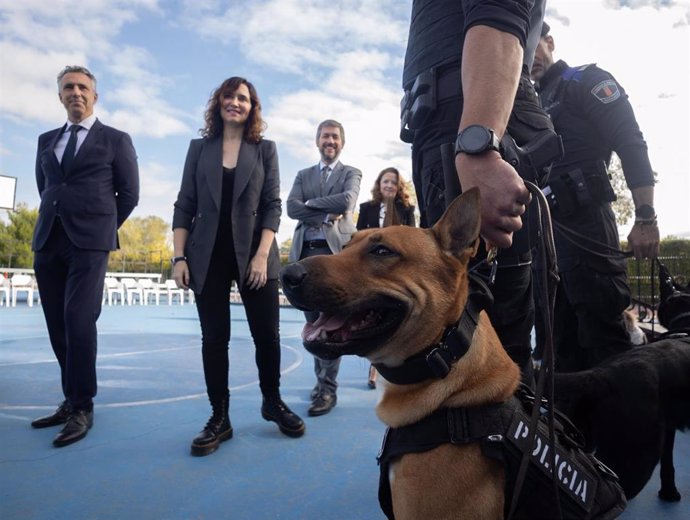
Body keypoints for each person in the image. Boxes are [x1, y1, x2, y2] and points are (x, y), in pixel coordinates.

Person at [400, 0, 554, 379]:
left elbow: (499, 12)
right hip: (449, 129)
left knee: (485, 340)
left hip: (471, 126)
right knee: (461, 336)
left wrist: (479, 145)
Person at [172, 77, 305, 457]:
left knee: (268, 336)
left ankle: (272, 401)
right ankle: (220, 417)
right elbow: (184, 204)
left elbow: (272, 205)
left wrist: (262, 255)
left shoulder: (265, 149)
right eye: (229, 96)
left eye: (243, 98)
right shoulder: (199, 149)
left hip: (255, 254)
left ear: (252, 107)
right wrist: (179, 257)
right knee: (214, 339)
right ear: (218, 103)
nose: (235, 102)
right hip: (206, 255)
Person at [531, 23, 660, 371]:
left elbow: (630, 141)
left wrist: (645, 217)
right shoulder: (530, 101)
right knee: (555, 344)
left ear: (550, 41)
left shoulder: (586, 80)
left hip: (586, 226)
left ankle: (621, 425)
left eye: (533, 43)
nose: (529, 58)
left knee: (605, 340)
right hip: (544, 235)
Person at [31, 65, 140, 447]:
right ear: (59, 95)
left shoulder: (116, 139)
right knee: (57, 324)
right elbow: (46, 186)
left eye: (82, 87)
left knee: (78, 320)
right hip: (47, 242)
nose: (75, 92)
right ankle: (70, 398)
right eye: (68, 87)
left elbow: (129, 195)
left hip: (89, 243)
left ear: (95, 95)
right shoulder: (46, 140)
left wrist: (100, 227)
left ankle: (82, 406)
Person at [287, 119, 362, 416]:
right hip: (305, 254)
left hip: (335, 257)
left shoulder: (351, 173)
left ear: (341, 142)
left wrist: (311, 202)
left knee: (331, 325)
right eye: (324, 136)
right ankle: (321, 384)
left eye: (334, 137)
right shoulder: (303, 174)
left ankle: (327, 390)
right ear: (317, 141)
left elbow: (347, 201)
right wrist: (321, 214)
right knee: (313, 325)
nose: (329, 141)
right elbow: (292, 207)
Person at [356, 167, 416, 388]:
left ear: (398, 186)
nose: (389, 185)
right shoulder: (366, 208)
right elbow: (358, 239)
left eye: (393, 182)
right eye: (385, 181)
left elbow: (412, 241)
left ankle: (385, 368)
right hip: (368, 271)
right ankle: (376, 366)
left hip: (394, 272)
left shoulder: (408, 209)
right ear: (379, 185)